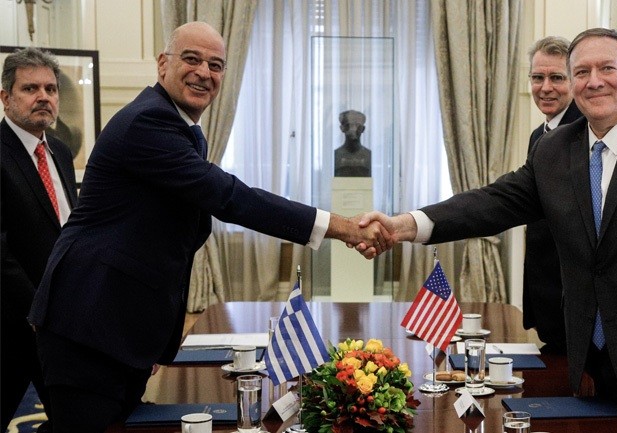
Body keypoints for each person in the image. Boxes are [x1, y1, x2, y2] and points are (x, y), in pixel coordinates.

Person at [357, 28, 617, 433]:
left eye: (607, 68)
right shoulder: (553, 149)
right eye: (581, 72)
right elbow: (493, 202)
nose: (594, 81)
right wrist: (405, 225)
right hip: (592, 364)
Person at [27, 21, 390, 432]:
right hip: (89, 323)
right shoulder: (149, 122)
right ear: (163, 64)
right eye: (192, 59)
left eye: (215, 65)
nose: (204, 72)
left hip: (119, 323)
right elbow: (231, 197)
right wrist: (342, 227)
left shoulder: (182, 127)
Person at [1, 47, 77, 432]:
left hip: (61, 324)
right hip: (12, 323)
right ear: (5, 97)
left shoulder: (60, 151)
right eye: (30, 88)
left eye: (50, 88)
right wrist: (37, 308)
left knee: (72, 416)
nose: (43, 96)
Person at [523, 36, 583, 355]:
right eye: (537, 78)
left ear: (573, 81)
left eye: (556, 78)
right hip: (545, 288)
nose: (545, 88)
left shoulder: (587, 130)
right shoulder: (539, 135)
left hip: (572, 294)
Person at [334, 109, 371, 177]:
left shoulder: (369, 155)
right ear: (342, 128)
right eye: (349, 125)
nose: (353, 129)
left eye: (357, 125)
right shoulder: (335, 155)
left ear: (363, 129)